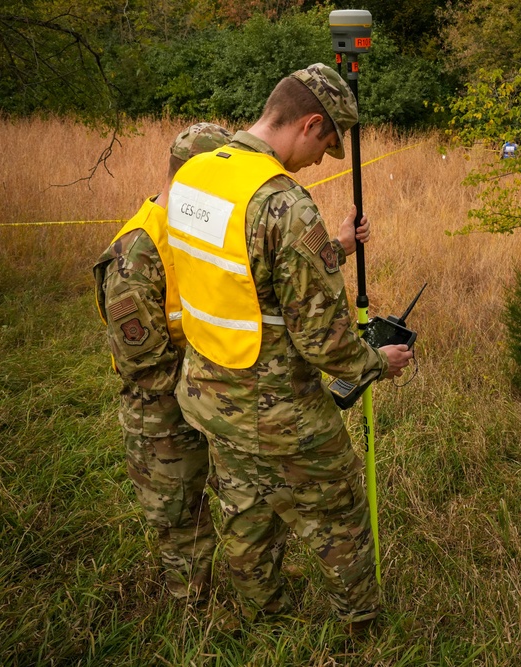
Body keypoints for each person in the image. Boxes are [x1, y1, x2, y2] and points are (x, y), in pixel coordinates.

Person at [166, 64, 414, 631]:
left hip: (209, 395)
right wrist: (379, 362)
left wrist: (336, 248)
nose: (320, 161)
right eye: (326, 145)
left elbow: (245, 275)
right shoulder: (284, 205)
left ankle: (265, 614)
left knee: (244, 510)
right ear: (308, 124)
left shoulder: (197, 174)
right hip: (276, 408)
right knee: (339, 512)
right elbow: (327, 344)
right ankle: (362, 626)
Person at [93, 123, 233, 602]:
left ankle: (241, 587)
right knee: (181, 521)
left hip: (208, 397)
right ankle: (193, 609)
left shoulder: (200, 228)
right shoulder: (136, 253)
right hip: (162, 415)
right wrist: (210, 392)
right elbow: (145, 367)